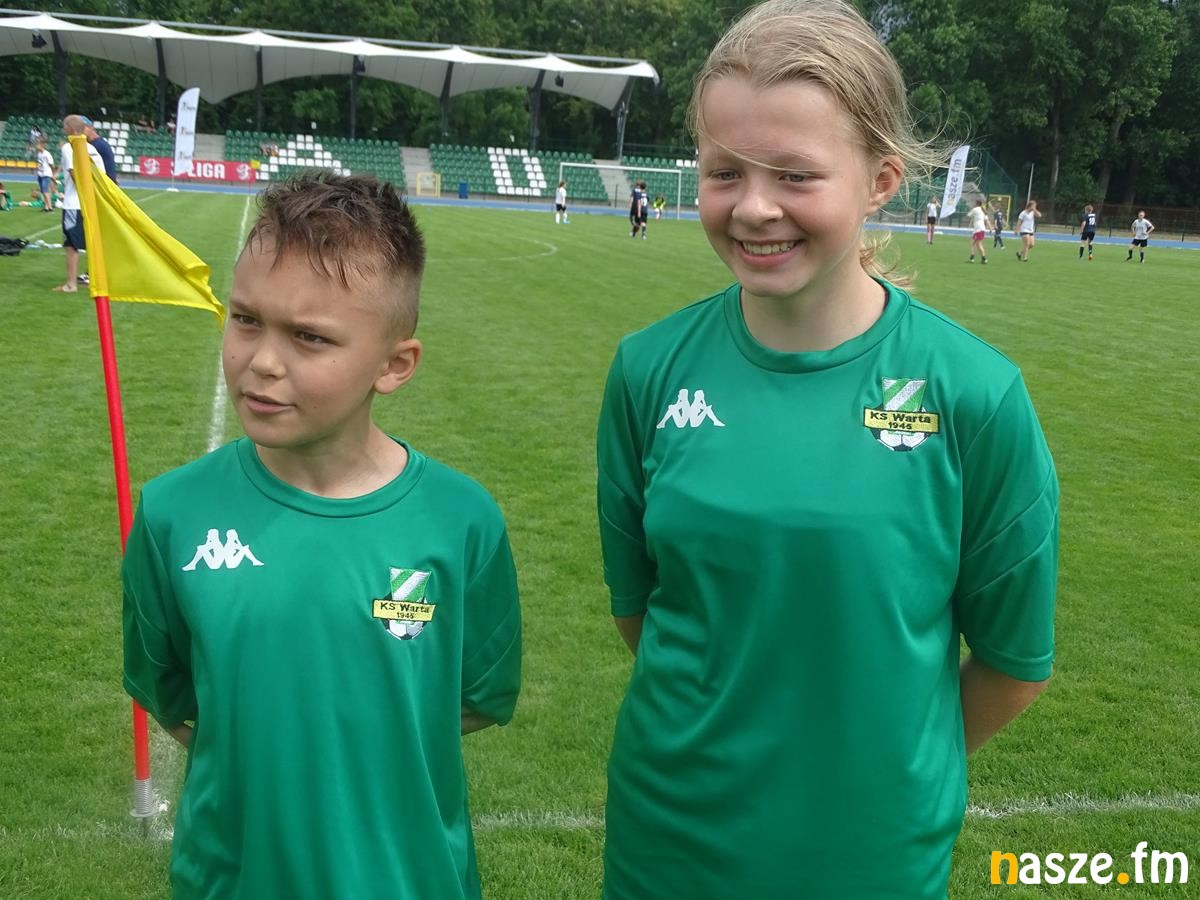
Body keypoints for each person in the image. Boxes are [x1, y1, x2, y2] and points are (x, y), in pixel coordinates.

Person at [595, 2, 1058, 898]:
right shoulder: (648, 371)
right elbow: (639, 610)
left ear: (882, 180)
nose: (753, 207)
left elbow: (1012, 663)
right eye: (724, 172)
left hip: (871, 852)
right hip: (668, 843)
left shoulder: (974, 394)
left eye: (796, 175)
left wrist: (881, 767)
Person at [121, 172, 522, 900]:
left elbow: (473, 697)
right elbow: (172, 695)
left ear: (394, 365)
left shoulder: (461, 520)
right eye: (246, 319)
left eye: (309, 337)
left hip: (411, 880)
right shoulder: (172, 513)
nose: (263, 361)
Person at [53, 115, 104, 293]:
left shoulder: (69, 147)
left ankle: (71, 284)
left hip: (74, 204)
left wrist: (83, 189)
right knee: (92, 243)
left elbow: (75, 174)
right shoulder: (92, 149)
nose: (63, 129)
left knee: (71, 245)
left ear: (71, 129)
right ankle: (97, 280)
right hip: (91, 204)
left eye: (64, 126)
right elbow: (102, 178)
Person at [82, 117, 119, 183]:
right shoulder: (98, 143)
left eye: (82, 128)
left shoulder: (96, 145)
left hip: (104, 183)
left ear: (90, 127)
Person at [966, 197, 989, 263]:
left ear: (977, 203)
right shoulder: (983, 210)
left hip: (978, 229)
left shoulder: (975, 209)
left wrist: (972, 209)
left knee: (978, 244)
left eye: (975, 203)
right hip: (981, 229)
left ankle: (982, 258)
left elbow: (968, 215)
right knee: (974, 244)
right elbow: (986, 220)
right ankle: (976, 258)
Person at [35, 140, 55, 211]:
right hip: (40, 174)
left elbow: (51, 164)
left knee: (45, 190)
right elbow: (40, 163)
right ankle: (46, 206)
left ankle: (50, 207)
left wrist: (52, 173)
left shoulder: (47, 154)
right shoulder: (39, 154)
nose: (36, 146)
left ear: (42, 145)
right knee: (43, 191)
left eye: (37, 145)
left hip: (46, 174)